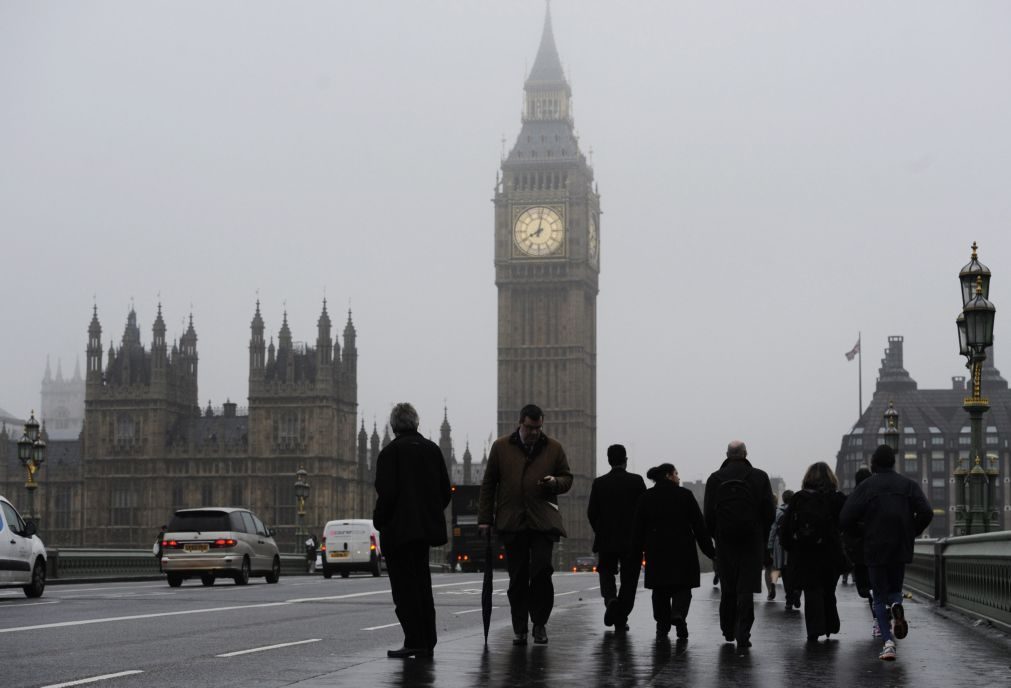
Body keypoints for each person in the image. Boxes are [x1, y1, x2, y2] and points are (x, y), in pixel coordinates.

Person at [478, 404, 573, 646]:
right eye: (531, 428)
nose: (534, 433)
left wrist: (555, 482)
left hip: (543, 521)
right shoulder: (501, 447)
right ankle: (519, 627)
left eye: (539, 428)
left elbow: (567, 479)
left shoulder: (554, 448)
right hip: (513, 521)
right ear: (521, 423)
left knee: (542, 572)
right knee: (517, 577)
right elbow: (489, 484)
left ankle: (539, 623)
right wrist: (485, 519)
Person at [372, 402, 452, 659]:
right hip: (423, 534)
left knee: (404, 590)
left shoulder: (390, 453)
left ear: (394, 426)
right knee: (422, 586)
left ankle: (415, 641)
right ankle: (428, 640)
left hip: (398, 534)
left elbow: (386, 495)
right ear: (415, 423)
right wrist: (429, 513)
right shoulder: (432, 450)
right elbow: (445, 491)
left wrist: (379, 520)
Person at [840, 444, 932, 662]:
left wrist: (862, 533)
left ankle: (888, 643)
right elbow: (927, 512)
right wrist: (911, 531)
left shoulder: (867, 487)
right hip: (900, 547)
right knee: (895, 588)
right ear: (893, 463)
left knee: (879, 597)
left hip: (874, 547)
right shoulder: (908, 485)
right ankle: (898, 604)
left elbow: (845, 519)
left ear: (873, 464)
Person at [703, 440, 776, 651]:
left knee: (728, 586)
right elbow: (769, 513)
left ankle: (727, 628)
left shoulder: (715, 478)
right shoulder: (759, 477)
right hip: (752, 540)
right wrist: (760, 533)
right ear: (745, 454)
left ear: (726, 454)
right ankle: (743, 631)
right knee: (746, 588)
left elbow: (708, 515)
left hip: (725, 540)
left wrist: (715, 536)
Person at [633, 463, 715, 640]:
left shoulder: (646, 497)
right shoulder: (685, 495)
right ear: (669, 475)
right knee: (683, 587)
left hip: (656, 550)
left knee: (660, 591)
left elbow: (638, 529)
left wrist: (636, 553)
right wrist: (711, 552)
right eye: (676, 474)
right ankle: (678, 614)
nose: (678, 477)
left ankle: (662, 626)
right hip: (682, 549)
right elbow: (699, 526)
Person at [778, 462, 847, 642]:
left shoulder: (799, 498)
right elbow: (848, 523)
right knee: (828, 589)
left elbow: (785, 529)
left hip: (804, 553)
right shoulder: (837, 498)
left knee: (811, 590)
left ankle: (814, 629)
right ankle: (831, 624)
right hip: (830, 552)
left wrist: (791, 547)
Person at [587, 444, 647, 632]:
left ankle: (611, 600)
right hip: (632, 541)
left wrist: (601, 530)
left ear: (609, 460)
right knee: (629, 581)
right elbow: (645, 511)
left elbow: (591, 513)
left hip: (606, 539)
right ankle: (621, 615)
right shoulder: (636, 481)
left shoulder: (599, 483)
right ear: (625, 460)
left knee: (606, 573)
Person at [842, 466, 878, 636]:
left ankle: (876, 612)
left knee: (866, 587)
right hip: (879, 546)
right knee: (880, 583)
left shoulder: (852, 498)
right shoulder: (878, 497)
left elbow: (845, 523)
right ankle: (887, 608)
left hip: (859, 550)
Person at [768, 490, 799, 610]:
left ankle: (788, 598)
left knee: (783, 571)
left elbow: (773, 530)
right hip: (795, 546)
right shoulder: (797, 511)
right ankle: (797, 590)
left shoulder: (778, 512)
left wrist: (770, 545)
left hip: (780, 546)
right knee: (795, 570)